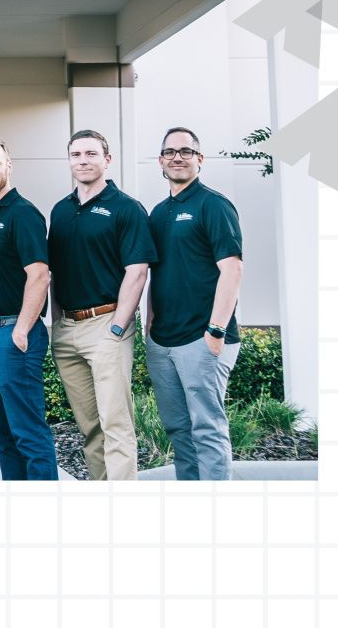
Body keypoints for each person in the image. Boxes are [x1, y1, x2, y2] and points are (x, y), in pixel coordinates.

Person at [47, 130, 156, 481]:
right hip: (68, 330)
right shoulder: (60, 211)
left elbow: (137, 272)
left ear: (107, 160)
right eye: (76, 154)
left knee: (115, 422)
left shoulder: (126, 208)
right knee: (89, 426)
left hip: (107, 323)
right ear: (69, 161)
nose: (83, 160)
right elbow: (54, 271)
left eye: (91, 154)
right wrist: (57, 322)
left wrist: (117, 328)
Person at [145, 127, 243, 480]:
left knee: (207, 428)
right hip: (163, 341)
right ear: (160, 161)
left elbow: (232, 269)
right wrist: (149, 332)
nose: (177, 158)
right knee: (178, 430)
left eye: (186, 152)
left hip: (202, 339)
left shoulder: (213, 204)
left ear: (200, 160)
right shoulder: (158, 213)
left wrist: (215, 331)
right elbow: (155, 275)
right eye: (170, 152)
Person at [0, 135, 59, 480]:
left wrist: (21, 329)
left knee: (28, 434)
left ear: (8, 166)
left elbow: (39, 275)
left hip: (13, 336)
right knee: (3, 436)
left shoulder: (22, 214)